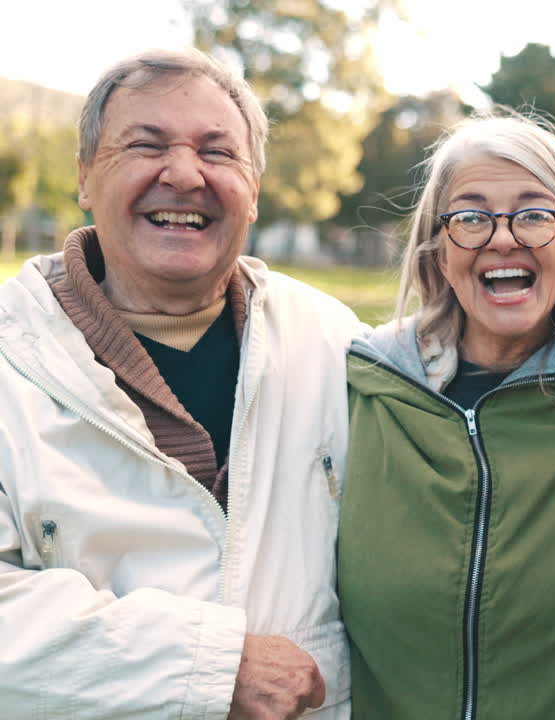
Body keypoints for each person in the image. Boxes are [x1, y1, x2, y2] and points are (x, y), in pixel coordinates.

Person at [0, 50, 360, 718]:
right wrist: (209, 669)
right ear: (84, 177)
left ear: (253, 188)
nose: (185, 174)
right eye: (146, 144)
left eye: (219, 152)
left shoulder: (331, 342)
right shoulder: (10, 356)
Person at [336, 111, 555, 719]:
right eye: (470, 216)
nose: (503, 238)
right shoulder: (361, 398)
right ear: (439, 250)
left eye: (534, 214)